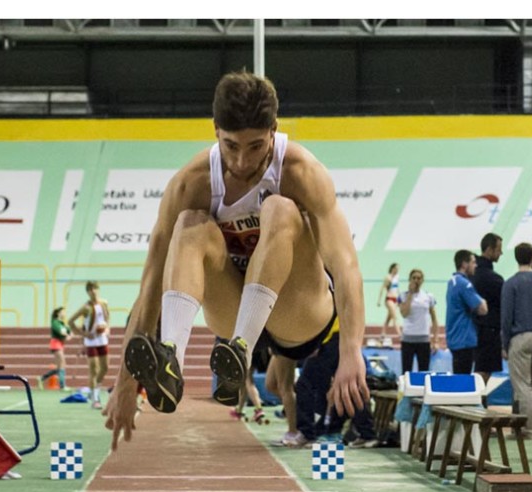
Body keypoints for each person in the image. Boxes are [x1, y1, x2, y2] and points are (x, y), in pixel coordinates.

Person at [106, 70, 368, 450]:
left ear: (274, 131)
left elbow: (346, 269)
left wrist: (351, 353)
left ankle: (241, 350)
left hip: (299, 312)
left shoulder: (301, 171)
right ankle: (171, 357)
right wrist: (125, 384)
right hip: (233, 307)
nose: (243, 161)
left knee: (279, 208)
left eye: (256, 146)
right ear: (215, 131)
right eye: (231, 147)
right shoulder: (191, 183)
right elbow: (150, 286)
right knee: (189, 224)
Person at [289, 321, 379, 448]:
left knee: (304, 385)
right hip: (341, 338)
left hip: (330, 339)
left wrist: (314, 343)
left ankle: (307, 434)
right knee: (349, 386)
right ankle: (368, 434)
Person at [500, 242, 532, 439]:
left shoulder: (511, 283)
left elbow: (506, 316)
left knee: (522, 385)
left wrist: (504, 344)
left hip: (520, 337)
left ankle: (528, 428)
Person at [68, 281, 111, 409]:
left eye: (95, 288)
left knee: (105, 368)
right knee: (94, 369)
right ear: (88, 292)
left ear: (98, 289)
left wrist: (107, 328)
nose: (93, 291)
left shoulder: (104, 303)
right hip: (91, 342)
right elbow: (70, 321)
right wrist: (84, 334)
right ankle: (95, 398)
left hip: (102, 340)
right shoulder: (86, 307)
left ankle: (95, 389)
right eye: (90, 289)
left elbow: (107, 318)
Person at [445, 249, 487, 375]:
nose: (476, 265)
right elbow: (482, 309)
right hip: (464, 339)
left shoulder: (452, 282)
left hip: (455, 337)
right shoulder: (464, 284)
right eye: (473, 262)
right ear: (464, 264)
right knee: (463, 379)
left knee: (459, 375)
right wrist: (483, 301)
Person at [471, 232, 504, 386]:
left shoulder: (470, 274)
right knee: (483, 371)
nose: (501, 253)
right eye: (499, 249)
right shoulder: (494, 279)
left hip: (471, 329)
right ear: (490, 249)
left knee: (476, 370)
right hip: (488, 331)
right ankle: (475, 401)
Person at [397, 268, 439, 373]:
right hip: (408, 340)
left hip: (423, 340)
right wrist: (410, 295)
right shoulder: (403, 296)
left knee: (424, 372)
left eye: (419, 278)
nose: (416, 280)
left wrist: (435, 340)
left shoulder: (429, 296)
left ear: (422, 280)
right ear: (409, 280)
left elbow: (434, 319)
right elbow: (404, 313)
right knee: (406, 372)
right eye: (414, 278)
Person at [40, 307, 71, 390]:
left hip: (60, 344)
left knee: (60, 366)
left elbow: (68, 331)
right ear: (58, 313)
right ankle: (62, 385)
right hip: (55, 344)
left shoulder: (62, 323)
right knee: (62, 363)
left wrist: (69, 334)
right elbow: (61, 331)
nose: (64, 314)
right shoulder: (55, 322)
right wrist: (66, 334)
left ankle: (42, 378)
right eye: (62, 312)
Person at [377, 262, 400, 342]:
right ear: (393, 269)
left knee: (388, 319)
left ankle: (382, 336)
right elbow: (382, 289)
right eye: (396, 268)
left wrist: (399, 299)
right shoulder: (388, 278)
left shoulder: (397, 277)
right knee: (395, 317)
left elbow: (397, 289)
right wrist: (379, 301)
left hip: (395, 300)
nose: (397, 270)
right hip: (389, 299)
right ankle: (400, 335)